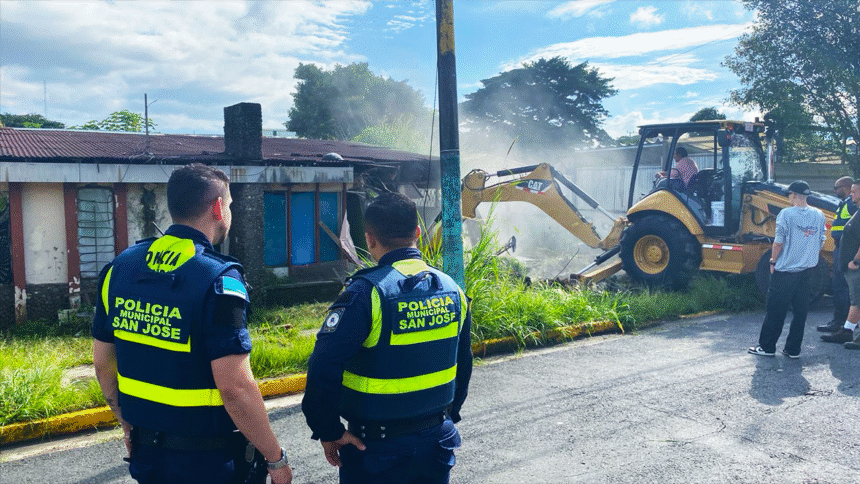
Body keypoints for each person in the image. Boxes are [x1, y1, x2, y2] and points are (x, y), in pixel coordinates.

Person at [92, 164, 292, 484]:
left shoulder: (119, 268)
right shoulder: (218, 277)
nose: (229, 212)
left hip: (147, 456)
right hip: (207, 465)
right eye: (228, 205)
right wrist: (275, 458)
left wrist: (127, 424)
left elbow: (103, 364)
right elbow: (235, 388)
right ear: (217, 207)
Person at [302, 192, 472, 484]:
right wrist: (449, 414)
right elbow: (463, 362)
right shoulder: (452, 289)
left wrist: (328, 431)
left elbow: (323, 368)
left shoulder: (366, 293)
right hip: (437, 441)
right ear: (417, 233)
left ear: (369, 239)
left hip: (376, 449)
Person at [749, 180, 826, 358]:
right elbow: (820, 240)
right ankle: (793, 349)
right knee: (800, 312)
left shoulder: (786, 214)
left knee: (776, 309)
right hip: (806, 270)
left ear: (793, 195)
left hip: (785, 270)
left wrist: (773, 261)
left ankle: (767, 347)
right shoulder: (818, 214)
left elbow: (779, 242)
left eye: (789, 195)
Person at [823, 181, 860, 347]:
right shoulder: (856, 210)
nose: (851, 195)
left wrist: (856, 260)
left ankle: (848, 332)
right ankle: (849, 331)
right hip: (850, 263)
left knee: (856, 301)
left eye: (854, 192)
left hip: (855, 265)